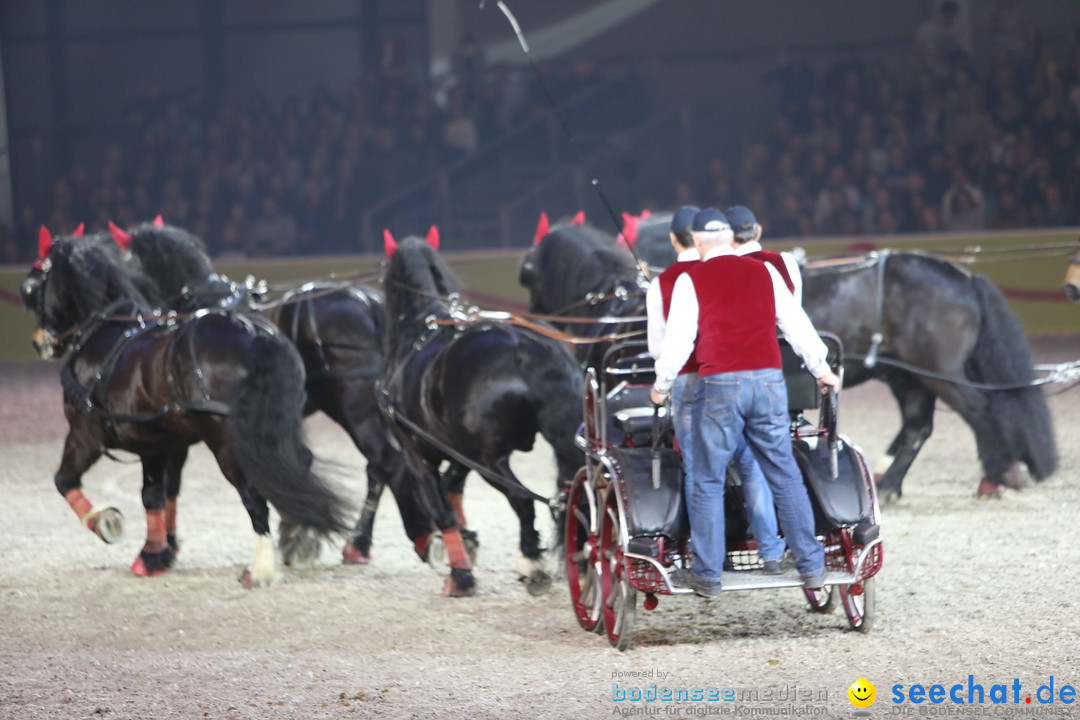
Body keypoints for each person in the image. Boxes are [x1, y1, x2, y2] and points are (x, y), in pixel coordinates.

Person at [650, 208, 841, 598]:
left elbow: (679, 341)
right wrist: (822, 369)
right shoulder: (766, 272)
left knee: (706, 478)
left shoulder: (691, 279)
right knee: (783, 473)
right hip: (769, 382)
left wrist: (662, 384)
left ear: (698, 241)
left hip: (720, 384)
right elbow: (797, 325)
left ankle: (707, 574)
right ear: (730, 239)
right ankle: (811, 566)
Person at [647, 206, 789, 576]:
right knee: (750, 463)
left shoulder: (668, 281)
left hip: (694, 382)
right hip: (743, 375)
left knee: (700, 470)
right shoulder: (752, 268)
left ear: (676, 239)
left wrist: (661, 384)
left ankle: (707, 556)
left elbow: (659, 348)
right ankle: (771, 549)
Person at [727, 205, 803, 306]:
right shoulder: (786, 260)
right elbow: (796, 308)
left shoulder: (725, 269)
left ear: (727, 236)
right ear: (758, 231)